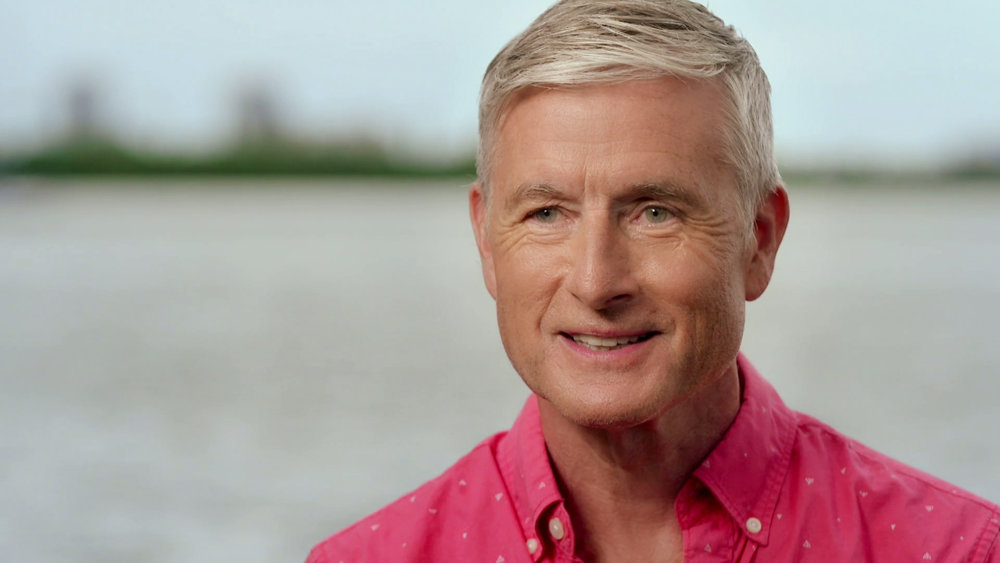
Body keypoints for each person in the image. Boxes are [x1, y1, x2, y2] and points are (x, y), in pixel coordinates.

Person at [308, 1, 1000, 561]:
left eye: (655, 212)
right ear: (487, 240)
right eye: (547, 213)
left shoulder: (956, 550)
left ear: (760, 239)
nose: (595, 281)